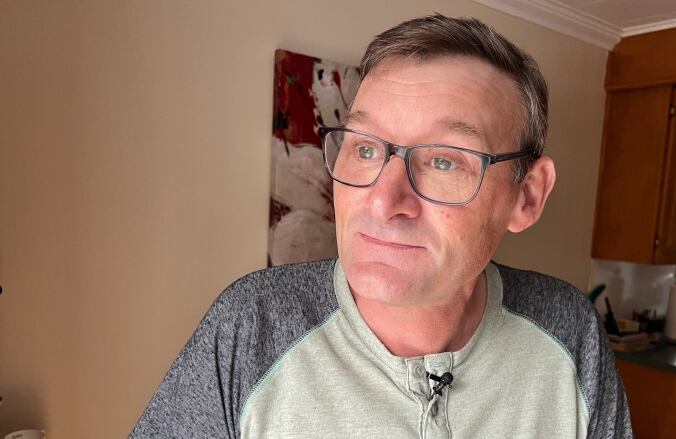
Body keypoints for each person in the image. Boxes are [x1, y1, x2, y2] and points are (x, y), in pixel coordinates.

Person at [131, 14, 632, 438]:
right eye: (365, 148)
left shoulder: (570, 335)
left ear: (527, 196)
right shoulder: (250, 329)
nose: (382, 199)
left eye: (443, 160)